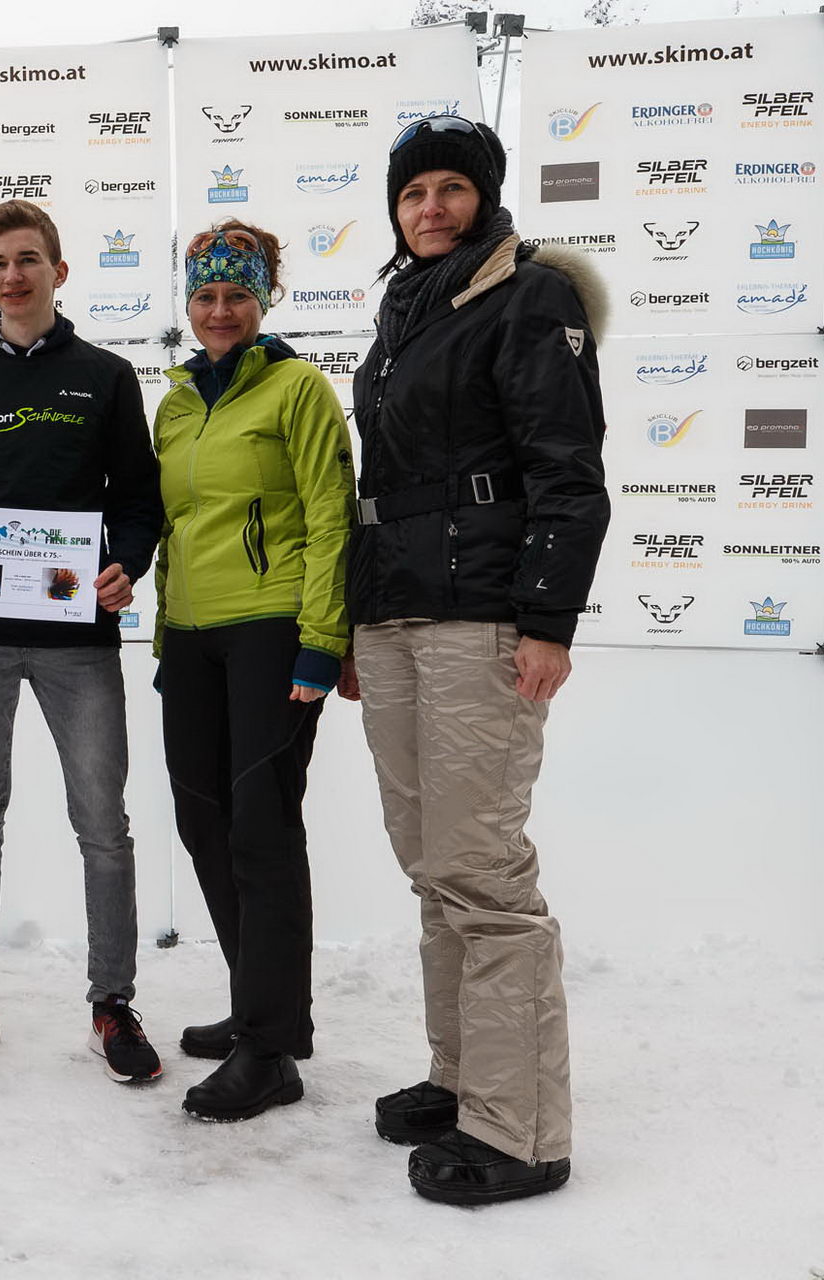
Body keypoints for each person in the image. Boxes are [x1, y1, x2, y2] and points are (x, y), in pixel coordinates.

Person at [342, 115, 608, 1204]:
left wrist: (547, 620)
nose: (432, 208)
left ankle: (522, 1127)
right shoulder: (403, 308)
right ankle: (463, 1080)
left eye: (453, 189)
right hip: (400, 618)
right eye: (415, 194)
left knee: (484, 876)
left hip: (483, 619)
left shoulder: (529, 295)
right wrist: (362, 621)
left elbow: (567, 470)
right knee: (432, 863)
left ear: (484, 198)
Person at [0, 200, 165, 1083]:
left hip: (76, 637)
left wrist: (127, 563)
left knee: (103, 824)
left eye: (27, 259)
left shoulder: (105, 375)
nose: (12, 276)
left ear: (59, 269)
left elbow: (137, 499)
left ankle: (112, 1004)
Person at [153, 221, 354, 1121]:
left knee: (261, 835)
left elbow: (330, 514)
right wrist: (163, 629)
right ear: (190, 305)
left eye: (237, 295)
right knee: (205, 828)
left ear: (262, 301)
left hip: (273, 630)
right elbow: (173, 527)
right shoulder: (178, 402)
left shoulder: (299, 388)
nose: (221, 310)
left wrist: (322, 641)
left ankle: (273, 1050)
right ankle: (254, 1005)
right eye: (206, 296)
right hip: (190, 638)